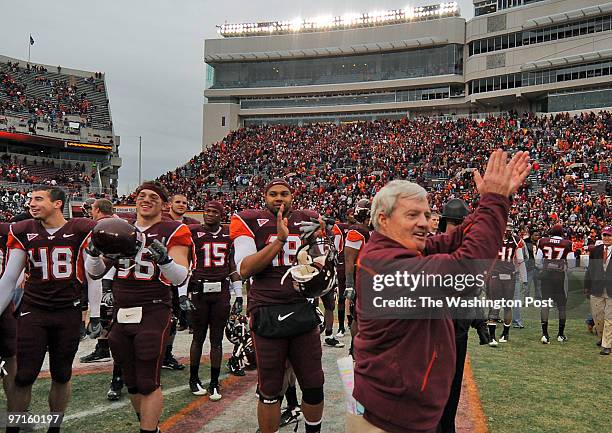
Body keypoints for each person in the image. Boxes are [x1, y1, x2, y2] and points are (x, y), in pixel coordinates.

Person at [350, 150, 530, 433]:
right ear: (383, 220)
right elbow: (468, 264)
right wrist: (493, 201)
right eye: (412, 215)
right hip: (395, 417)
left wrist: (496, 200)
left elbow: (452, 239)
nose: (424, 222)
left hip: (402, 407)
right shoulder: (387, 266)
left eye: (426, 214)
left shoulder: (394, 248)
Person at [85, 181, 192, 433]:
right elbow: (96, 272)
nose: (146, 199)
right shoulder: (122, 229)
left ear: (163, 204)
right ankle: (149, 426)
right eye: (142, 195)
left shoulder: (174, 229)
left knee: (147, 380)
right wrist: (92, 254)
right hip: (122, 310)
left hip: (154, 308)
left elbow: (180, 277)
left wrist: (164, 259)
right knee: (131, 381)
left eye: (153, 196)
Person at [230, 179, 325, 433]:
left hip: (301, 308)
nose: (279, 198)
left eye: (284, 193)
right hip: (267, 310)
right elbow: (246, 268)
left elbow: (320, 266)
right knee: (270, 388)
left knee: (314, 383)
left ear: (292, 196)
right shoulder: (249, 220)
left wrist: (319, 257)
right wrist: (279, 241)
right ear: (265, 196)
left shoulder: (306, 219)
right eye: (273, 194)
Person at [0, 186, 96, 433]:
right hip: (34, 309)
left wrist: (94, 312)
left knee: (62, 374)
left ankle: (55, 428)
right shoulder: (24, 231)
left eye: (38, 199)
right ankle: (15, 428)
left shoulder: (80, 230)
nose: (31, 203)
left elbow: (94, 274)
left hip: (67, 310)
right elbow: (10, 278)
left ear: (57, 203)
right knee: (24, 375)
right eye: (30, 199)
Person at [438, 198, 490, 433]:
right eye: (453, 223)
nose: (457, 228)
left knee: (452, 392)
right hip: (434, 332)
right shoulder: (434, 248)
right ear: (443, 224)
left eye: (460, 223)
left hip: (458, 332)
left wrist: (479, 320)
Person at [187, 200, 242, 399]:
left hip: (221, 292)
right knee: (198, 337)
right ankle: (193, 379)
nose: (209, 214)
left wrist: (239, 295)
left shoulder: (228, 235)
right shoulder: (193, 232)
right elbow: (186, 261)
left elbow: (233, 266)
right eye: (207, 211)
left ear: (221, 215)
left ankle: (214, 382)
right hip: (200, 291)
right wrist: (184, 292)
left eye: (213, 212)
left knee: (216, 340)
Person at [487, 222, 525, 345]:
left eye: (510, 229)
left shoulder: (516, 241)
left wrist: (524, 278)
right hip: (495, 274)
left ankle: (505, 333)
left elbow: (520, 260)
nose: (507, 231)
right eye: (506, 229)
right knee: (495, 304)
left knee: (508, 306)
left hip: (509, 275)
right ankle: (492, 336)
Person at [536, 224, 575, 344]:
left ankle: (545, 334)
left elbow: (538, 262)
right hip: (559, 277)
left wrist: (546, 268)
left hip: (546, 276)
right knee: (562, 306)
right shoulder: (567, 243)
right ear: (562, 233)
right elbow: (572, 264)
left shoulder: (543, 241)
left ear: (551, 232)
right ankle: (560, 334)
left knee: (545, 304)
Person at [344, 198, 371, 356]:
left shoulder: (367, 229)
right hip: (362, 277)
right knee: (358, 316)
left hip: (371, 277)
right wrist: (349, 284)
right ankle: (355, 348)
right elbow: (349, 259)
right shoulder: (356, 231)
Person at [584, 226, 612, 355]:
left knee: (609, 318)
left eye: (609, 235)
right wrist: (586, 286)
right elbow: (590, 269)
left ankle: (607, 344)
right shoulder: (596, 250)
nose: (606, 238)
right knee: (597, 316)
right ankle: (602, 337)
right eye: (605, 235)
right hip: (597, 288)